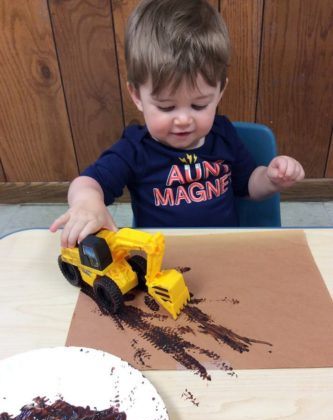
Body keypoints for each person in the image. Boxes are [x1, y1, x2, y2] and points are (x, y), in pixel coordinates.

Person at [50, 0, 304, 248]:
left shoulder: (223, 134)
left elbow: (248, 185)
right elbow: (87, 182)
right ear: (137, 96)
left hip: (225, 250)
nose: (183, 119)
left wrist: (271, 179)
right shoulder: (135, 149)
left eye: (199, 105)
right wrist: (86, 203)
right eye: (166, 107)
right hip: (164, 257)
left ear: (220, 91)